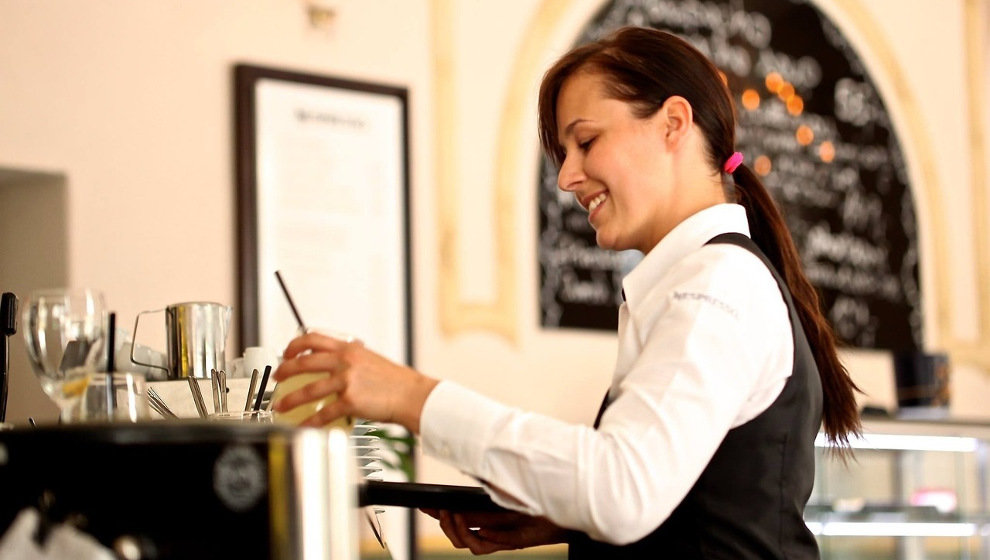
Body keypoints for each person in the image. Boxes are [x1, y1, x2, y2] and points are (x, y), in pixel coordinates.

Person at [273, 26, 861, 558]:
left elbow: (621, 489)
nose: (565, 177)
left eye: (585, 142)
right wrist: (567, 521)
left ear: (673, 124)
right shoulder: (700, 281)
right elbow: (680, 494)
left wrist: (410, 396)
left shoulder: (718, 284)